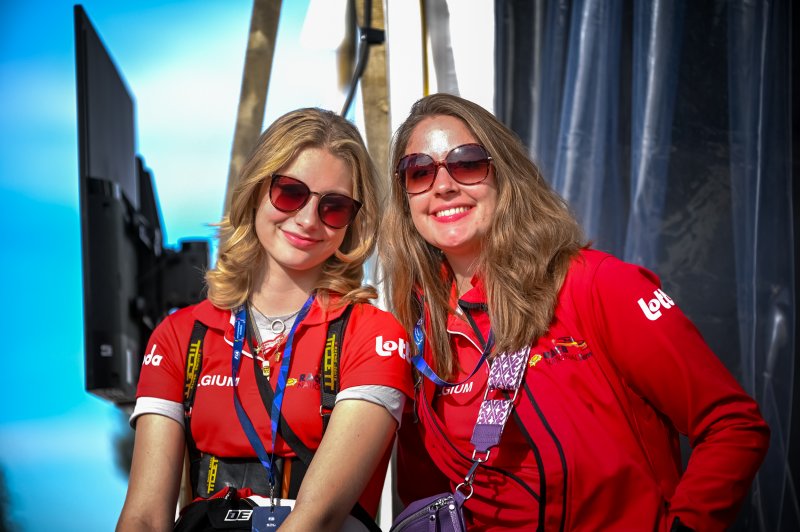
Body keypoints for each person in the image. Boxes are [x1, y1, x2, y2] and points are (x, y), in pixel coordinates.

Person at [379, 93, 770, 532]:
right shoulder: (420, 331)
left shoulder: (596, 284)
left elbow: (733, 425)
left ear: (505, 174)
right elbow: (426, 494)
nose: (443, 185)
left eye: (466, 163)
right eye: (419, 171)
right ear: (405, 197)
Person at [117, 107, 414, 531]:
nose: (308, 219)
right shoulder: (179, 336)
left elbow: (319, 516)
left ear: (352, 221)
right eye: (290, 192)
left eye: (334, 206)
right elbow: (144, 517)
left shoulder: (373, 335)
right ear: (257, 189)